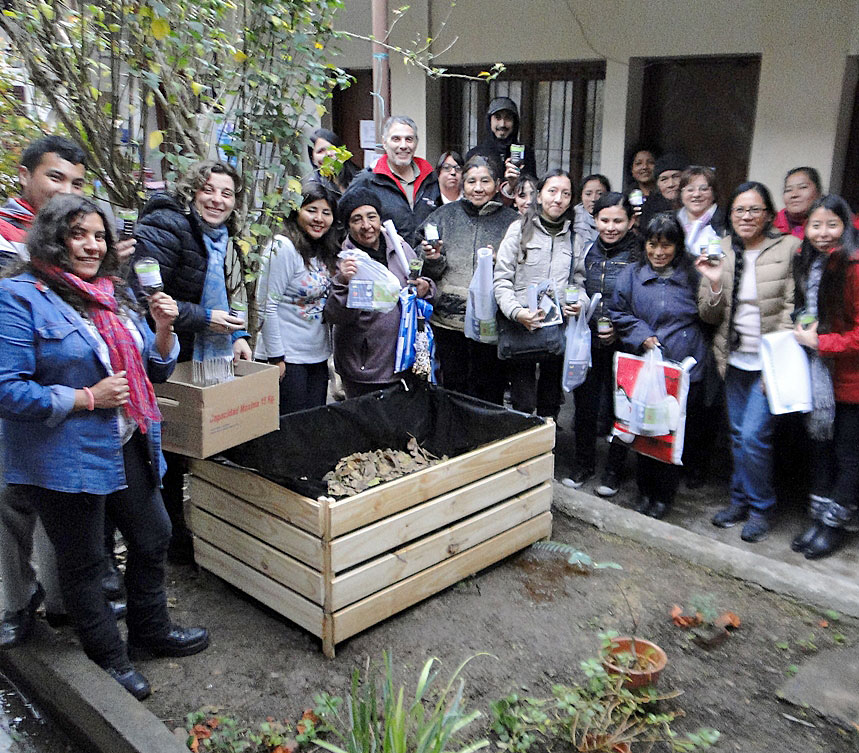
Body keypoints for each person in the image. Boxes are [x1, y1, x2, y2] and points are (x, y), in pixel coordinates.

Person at [0, 194, 209, 699]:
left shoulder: (110, 295)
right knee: (85, 562)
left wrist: (163, 331)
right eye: (79, 234)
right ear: (53, 238)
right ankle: (108, 660)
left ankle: (150, 631)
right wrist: (86, 397)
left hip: (126, 440)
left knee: (153, 535)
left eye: (99, 236)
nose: (91, 246)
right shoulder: (19, 297)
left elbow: (154, 371)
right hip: (63, 455)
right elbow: (7, 389)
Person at [0, 136, 131, 649]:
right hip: (23, 396)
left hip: (78, 408)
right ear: (25, 176)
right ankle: (15, 602)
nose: (64, 190)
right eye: (55, 177)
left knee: (67, 508)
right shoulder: (8, 246)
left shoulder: (89, 259)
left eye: (76, 183)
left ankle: (63, 599)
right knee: (11, 505)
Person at [132, 160, 251, 563]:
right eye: (209, 190)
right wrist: (206, 321)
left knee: (203, 440)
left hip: (205, 354)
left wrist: (236, 335)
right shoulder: (170, 226)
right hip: (164, 354)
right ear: (192, 191)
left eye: (227, 193)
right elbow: (147, 297)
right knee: (169, 445)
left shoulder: (223, 239)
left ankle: (203, 530)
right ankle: (171, 543)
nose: (217, 200)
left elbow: (229, 295)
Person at [698, 181, 801, 542]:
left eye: (754, 209)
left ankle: (761, 507)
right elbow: (709, 316)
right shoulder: (720, 249)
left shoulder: (788, 248)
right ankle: (739, 501)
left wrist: (776, 364)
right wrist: (712, 284)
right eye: (739, 210)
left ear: (769, 215)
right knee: (739, 436)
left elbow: (794, 306)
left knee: (756, 436)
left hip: (769, 363)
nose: (746, 216)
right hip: (732, 360)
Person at [608, 214, 710, 518]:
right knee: (644, 429)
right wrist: (643, 336)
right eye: (653, 245)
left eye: (667, 245)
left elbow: (708, 315)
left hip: (683, 367)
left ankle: (664, 495)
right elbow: (618, 312)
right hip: (647, 367)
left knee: (671, 432)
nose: (659, 252)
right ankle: (645, 491)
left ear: (677, 247)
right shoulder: (631, 275)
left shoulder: (693, 275)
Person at [416, 156, 518, 403]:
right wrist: (433, 259)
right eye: (471, 181)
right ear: (462, 184)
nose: (478, 188)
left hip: (492, 321)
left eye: (485, 181)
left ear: (497, 184)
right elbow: (421, 265)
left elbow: (521, 268)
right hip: (449, 322)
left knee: (490, 389)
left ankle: (489, 440)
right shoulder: (443, 216)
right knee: (453, 387)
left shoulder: (512, 221)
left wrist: (500, 261)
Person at [791, 195, 859, 558]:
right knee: (820, 450)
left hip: (850, 379)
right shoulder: (809, 263)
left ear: (846, 226)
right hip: (819, 377)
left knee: (848, 456)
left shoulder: (854, 266)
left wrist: (820, 341)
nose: (823, 233)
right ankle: (818, 518)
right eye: (815, 225)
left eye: (832, 224)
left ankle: (835, 524)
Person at [563, 192, 641, 496]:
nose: (611, 227)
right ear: (594, 220)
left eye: (618, 220)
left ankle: (614, 470)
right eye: (604, 220)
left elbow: (641, 301)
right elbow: (575, 286)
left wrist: (621, 331)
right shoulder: (585, 252)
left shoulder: (639, 254)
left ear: (631, 221)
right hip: (589, 340)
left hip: (626, 343)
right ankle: (583, 463)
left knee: (622, 408)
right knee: (585, 406)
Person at [324, 189, 436, 397]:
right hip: (365, 369)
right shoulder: (344, 261)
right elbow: (335, 316)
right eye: (357, 219)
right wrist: (343, 282)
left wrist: (425, 287)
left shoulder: (400, 248)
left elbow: (418, 281)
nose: (367, 226)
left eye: (371, 217)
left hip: (405, 362)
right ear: (348, 226)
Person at [494, 169, 575, 418]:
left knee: (551, 403)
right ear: (539, 197)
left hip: (556, 331)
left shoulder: (574, 237)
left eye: (565, 194)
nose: (558, 199)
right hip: (522, 328)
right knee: (523, 404)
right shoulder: (518, 230)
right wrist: (517, 313)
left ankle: (549, 453)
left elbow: (579, 281)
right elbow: (501, 280)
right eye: (552, 191)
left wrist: (577, 302)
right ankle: (524, 453)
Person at [255, 182, 339, 413]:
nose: (319, 219)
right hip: (286, 358)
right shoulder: (283, 247)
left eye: (326, 212)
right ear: (296, 211)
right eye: (311, 210)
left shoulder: (325, 251)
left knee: (312, 428)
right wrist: (276, 358)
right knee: (288, 429)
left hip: (317, 356)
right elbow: (266, 305)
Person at [343, 116, 440, 247]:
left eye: (409, 139)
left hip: (426, 261)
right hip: (385, 260)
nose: (403, 145)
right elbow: (343, 218)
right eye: (396, 139)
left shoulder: (431, 178)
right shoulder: (368, 180)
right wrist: (379, 232)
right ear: (384, 143)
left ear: (416, 143)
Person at [466, 97, 537, 203]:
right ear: (489, 120)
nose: (502, 124)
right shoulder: (475, 154)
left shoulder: (526, 153)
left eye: (508, 118)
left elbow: (532, 187)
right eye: (497, 118)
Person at [677, 166, 727, 257]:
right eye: (690, 190)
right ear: (681, 194)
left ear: (714, 193)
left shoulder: (727, 222)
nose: (696, 194)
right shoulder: (670, 220)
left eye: (704, 189)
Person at [639, 153, 689, 230]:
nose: (671, 184)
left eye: (676, 177)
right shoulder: (649, 209)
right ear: (657, 184)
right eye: (664, 179)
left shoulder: (695, 204)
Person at [307, 127, 360, 196]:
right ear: (313, 159)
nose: (328, 154)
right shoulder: (313, 187)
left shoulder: (360, 179)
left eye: (332, 148)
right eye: (321, 151)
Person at [772, 167, 822, 240]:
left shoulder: (828, 227)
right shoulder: (770, 224)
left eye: (802, 187)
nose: (794, 195)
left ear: (818, 193)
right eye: (788, 190)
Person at [573, 174, 611, 263]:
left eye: (600, 194)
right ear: (581, 196)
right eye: (588, 194)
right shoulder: (571, 219)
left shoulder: (615, 219)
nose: (593, 199)